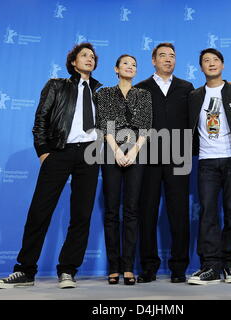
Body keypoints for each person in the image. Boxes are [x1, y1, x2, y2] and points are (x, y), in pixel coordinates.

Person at [0, 43, 102, 289]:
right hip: (59, 151)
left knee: (81, 215)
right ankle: (25, 270)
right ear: (73, 62)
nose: (89, 59)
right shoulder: (56, 85)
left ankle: (68, 270)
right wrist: (44, 152)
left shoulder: (100, 90)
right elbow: (40, 119)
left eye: (93, 57)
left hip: (89, 155)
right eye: (84, 55)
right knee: (40, 212)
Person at [187, 48, 231, 285]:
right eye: (205, 61)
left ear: (222, 65)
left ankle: (230, 266)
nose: (211, 63)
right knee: (208, 214)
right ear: (201, 68)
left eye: (215, 60)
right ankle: (210, 266)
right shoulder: (193, 96)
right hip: (206, 161)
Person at [135, 43, 194, 283]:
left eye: (172, 56)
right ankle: (148, 267)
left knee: (179, 213)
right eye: (163, 56)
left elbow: (194, 121)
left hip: (178, 158)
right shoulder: (140, 89)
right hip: (147, 159)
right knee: (146, 213)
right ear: (153, 60)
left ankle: (179, 268)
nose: (168, 59)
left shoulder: (187, 88)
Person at [95, 54, 152, 285]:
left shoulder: (143, 95)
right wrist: (117, 151)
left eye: (134, 64)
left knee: (131, 211)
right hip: (110, 151)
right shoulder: (105, 93)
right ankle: (113, 267)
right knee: (111, 211)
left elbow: (146, 126)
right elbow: (105, 123)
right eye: (125, 64)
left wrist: (133, 152)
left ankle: (128, 267)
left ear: (136, 71)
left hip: (136, 152)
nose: (130, 67)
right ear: (116, 69)